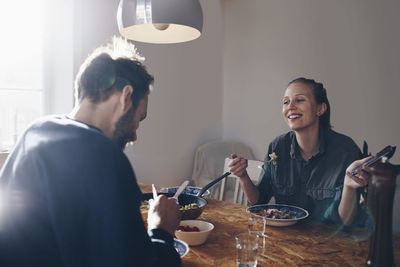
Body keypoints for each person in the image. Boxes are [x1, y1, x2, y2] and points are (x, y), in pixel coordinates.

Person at [0, 37, 182, 266]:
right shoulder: (103, 156)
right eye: (139, 118)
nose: (135, 134)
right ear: (125, 98)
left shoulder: (35, 131)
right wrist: (161, 230)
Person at [229, 77, 371, 226]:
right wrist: (243, 176)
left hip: (328, 242)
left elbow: (345, 222)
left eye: (299, 100)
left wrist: (349, 186)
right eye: (286, 102)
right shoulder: (277, 146)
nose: (290, 106)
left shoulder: (345, 150)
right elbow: (259, 201)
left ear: (320, 108)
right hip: (285, 239)